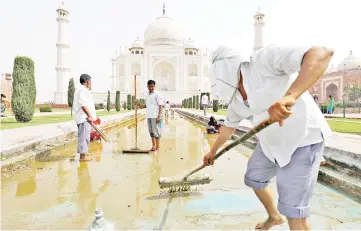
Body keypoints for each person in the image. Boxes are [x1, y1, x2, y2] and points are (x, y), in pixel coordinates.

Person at [203, 44, 333, 230]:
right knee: (254, 178)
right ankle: (274, 216)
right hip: (271, 143)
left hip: (302, 139)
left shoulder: (263, 61)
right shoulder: (236, 97)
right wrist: (212, 152)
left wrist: (290, 96)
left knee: (294, 213)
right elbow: (229, 127)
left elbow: (322, 53)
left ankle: (288, 217)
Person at [73, 74, 97, 161]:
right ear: (87, 81)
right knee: (83, 137)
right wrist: (89, 116)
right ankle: (82, 157)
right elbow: (83, 105)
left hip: (84, 117)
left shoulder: (83, 90)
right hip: (84, 118)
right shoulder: (82, 90)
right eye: (90, 81)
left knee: (86, 136)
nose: (91, 83)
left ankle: (84, 153)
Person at [135, 80, 163, 153]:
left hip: (155, 116)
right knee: (151, 132)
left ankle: (158, 148)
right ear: (147, 86)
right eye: (150, 86)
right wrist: (139, 104)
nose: (151, 88)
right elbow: (147, 105)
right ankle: (153, 146)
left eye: (152, 86)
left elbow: (160, 105)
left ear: (154, 86)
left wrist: (159, 116)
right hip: (149, 116)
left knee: (156, 132)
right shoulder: (147, 95)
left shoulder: (157, 94)